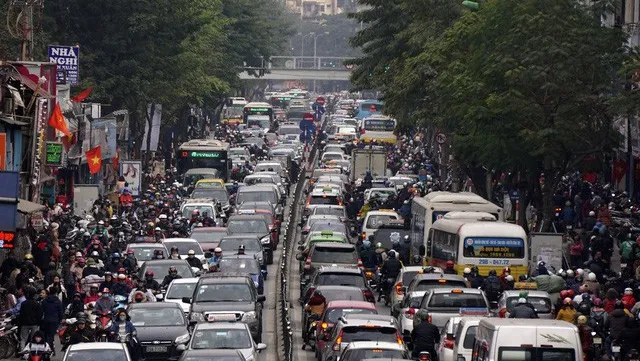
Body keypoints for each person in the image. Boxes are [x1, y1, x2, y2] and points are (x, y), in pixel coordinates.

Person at [39, 288, 63, 355]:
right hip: (54, 321)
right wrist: (60, 320)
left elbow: (41, 311)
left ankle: (48, 349)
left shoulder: (44, 301)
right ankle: (50, 349)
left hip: (46, 320)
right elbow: (60, 312)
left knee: (46, 335)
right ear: (56, 293)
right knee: (51, 336)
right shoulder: (58, 301)